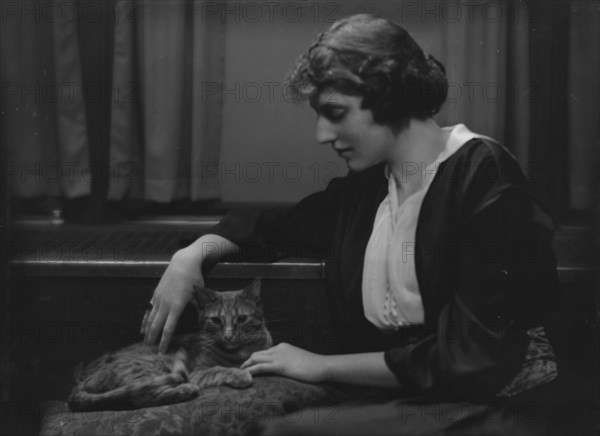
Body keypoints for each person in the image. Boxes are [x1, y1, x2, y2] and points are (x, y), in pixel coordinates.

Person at [141, 14, 563, 434]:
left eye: (336, 113)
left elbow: (472, 357)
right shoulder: (368, 187)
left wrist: (321, 366)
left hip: (496, 404)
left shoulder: (485, 176)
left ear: (390, 97)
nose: (323, 134)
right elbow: (274, 227)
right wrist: (193, 254)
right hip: (406, 401)